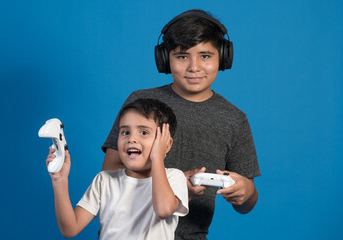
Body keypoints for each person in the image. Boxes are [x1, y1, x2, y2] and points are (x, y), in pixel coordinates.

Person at [102, 9, 261, 240]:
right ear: (165, 59)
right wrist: (173, 187)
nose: (194, 67)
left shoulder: (234, 118)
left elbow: (247, 204)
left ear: (223, 57)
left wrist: (246, 192)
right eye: (182, 56)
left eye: (205, 56)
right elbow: (109, 175)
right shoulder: (139, 103)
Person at [46, 98, 189, 239]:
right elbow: (70, 229)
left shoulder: (174, 177)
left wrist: (157, 157)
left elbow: (164, 210)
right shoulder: (104, 180)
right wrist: (60, 181)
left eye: (144, 132)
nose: (131, 139)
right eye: (125, 132)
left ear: (167, 144)